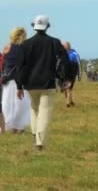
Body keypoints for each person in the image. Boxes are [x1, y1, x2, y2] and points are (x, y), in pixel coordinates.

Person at [16, 15, 67, 151]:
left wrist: (19, 86)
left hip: (30, 84)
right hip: (48, 83)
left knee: (34, 109)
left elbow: (20, 66)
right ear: (47, 26)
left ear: (34, 26)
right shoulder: (55, 42)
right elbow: (64, 60)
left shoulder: (25, 45)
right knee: (45, 111)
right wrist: (62, 79)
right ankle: (40, 141)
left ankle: (35, 135)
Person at [2, 27, 31, 134]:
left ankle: (7, 125)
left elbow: (4, 64)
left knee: (7, 103)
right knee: (22, 104)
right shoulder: (25, 49)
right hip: (20, 79)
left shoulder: (6, 47)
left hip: (8, 80)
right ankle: (19, 127)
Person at [61, 42, 81, 108]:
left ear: (68, 46)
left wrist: (79, 75)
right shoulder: (61, 53)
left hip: (71, 73)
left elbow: (78, 64)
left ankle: (68, 103)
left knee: (68, 88)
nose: (63, 47)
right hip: (63, 73)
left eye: (64, 46)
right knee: (64, 89)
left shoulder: (74, 54)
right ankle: (70, 101)